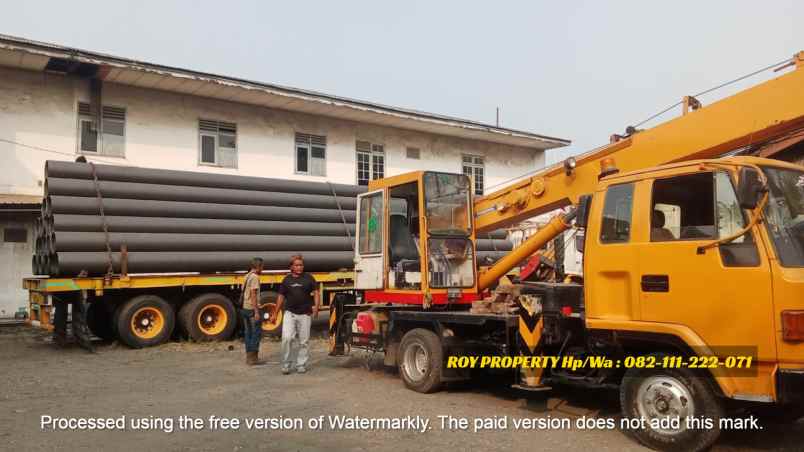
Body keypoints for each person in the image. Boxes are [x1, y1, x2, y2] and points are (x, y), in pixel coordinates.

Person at [270, 254, 319, 374]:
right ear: (291, 267)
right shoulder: (287, 280)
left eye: (301, 265)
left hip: (305, 314)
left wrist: (316, 308)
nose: (299, 267)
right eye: (296, 265)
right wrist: (275, 313)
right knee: (287, 338)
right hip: (290, 313)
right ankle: (286, 364)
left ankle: (301, 364)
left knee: (304, 341)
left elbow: (316, 293)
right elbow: (281, 296)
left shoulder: (309, 278)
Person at [241, 257, 264, 366]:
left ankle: (248, 357)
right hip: (251, 309)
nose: (263, 269)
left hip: (245, 307)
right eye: (262, 267)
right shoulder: (255, 277)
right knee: (256, 333)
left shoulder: (247, 276)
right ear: (258, 266)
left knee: (248, 333)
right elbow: (253, 294)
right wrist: (256, 311)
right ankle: (253, 358)